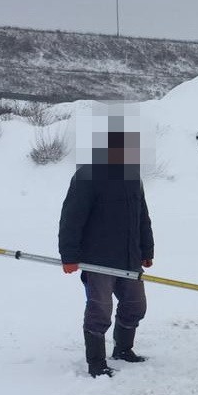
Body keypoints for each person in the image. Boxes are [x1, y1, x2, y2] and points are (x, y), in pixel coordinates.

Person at [58, 130, 154, 378]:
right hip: (98, 260)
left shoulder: (132, 177)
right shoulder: (87, 176)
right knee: (99, 311)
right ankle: (96, 362)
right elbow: (71, 218)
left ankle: (123, 349)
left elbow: (142, 217)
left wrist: (147, 250)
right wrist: (69, 256)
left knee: (135, 306)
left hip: (130, 258)